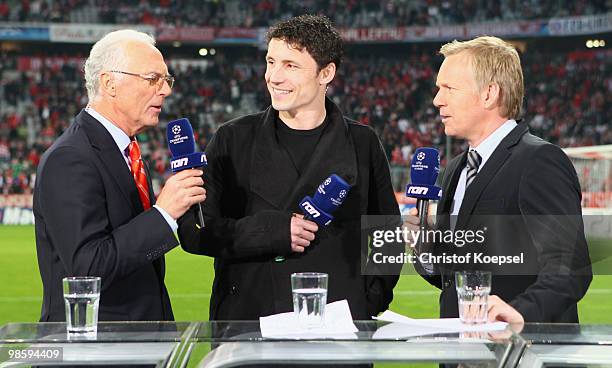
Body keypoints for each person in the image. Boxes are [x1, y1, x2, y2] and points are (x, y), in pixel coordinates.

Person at [178, 15, 401, 320]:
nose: (274, 76)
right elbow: (195, 233)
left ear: (326, 73)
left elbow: (387, 234)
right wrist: (273, 230)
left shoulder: (363, 142)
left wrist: (368, 301)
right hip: (252, 325)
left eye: (290, 66)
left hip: (337, 329)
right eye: (271, 62)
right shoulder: (232, 138)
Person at [407, 36, 592, 323]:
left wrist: (519, 313)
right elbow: (454, 275)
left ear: (489, 93)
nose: (437, 99)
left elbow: (569, 268)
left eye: (449, 88)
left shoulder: (540, 161)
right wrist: (427, 248)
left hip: (521, 354)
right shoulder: (455, 169)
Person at [34, 29, 206, 322]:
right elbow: (88, 267)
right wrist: (163, 214)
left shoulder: (128, 151)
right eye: (153, 79)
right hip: (95, 350)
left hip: (137, 341)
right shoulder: (70, 158)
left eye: (167, 80)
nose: (165, 90)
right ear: (109, 83)